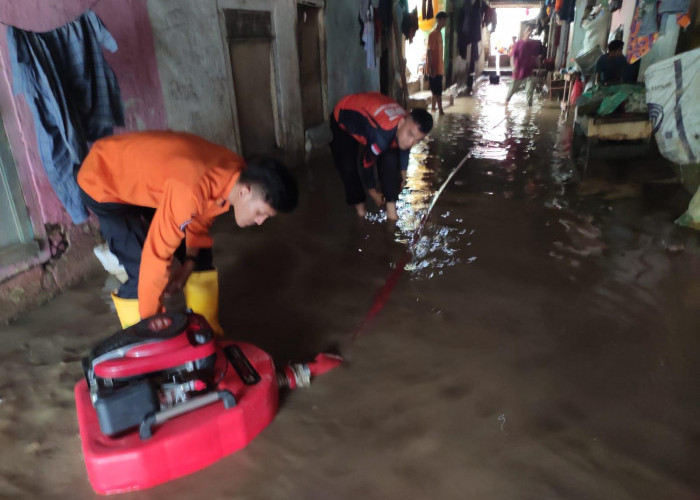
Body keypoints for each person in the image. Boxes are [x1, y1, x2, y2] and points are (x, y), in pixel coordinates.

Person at [77, 130, 298, 332]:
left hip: (152, 180)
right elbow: (156, 256)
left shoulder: (234, 173)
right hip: (104, 179)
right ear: (245, 192)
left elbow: (201, 216)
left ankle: (207, 329)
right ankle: (140, 341)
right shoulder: (190, 190)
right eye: (261, 213)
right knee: (141, 267)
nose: (260, 222)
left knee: (200, 252)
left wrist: (189, 263)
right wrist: (153, 324)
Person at [329, 92, 433, 220]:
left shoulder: (407, 123)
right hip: (344, 115)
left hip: (372, 113)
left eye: (418, 140)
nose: (412, 143)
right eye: (410, 135)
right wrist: (373, 192)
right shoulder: (381, 135)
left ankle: (391, 212)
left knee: (390, 158)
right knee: (348, 166)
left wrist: (403, 173)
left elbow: (405, 149)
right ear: (400, 123)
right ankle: (361, 211)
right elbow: (366, 164)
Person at [505, 25, 543, 107]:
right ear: (524, 32)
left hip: (529, 72)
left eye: (530, 29)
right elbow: (512, 57)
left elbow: (536, 57)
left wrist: (539, 67)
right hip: (518, 72)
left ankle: (529, 108)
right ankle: (506, 104)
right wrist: (513, 67)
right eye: (527, 29)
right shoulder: (518, 44)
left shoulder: (533, 44)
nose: (529, 31)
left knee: (530, 91)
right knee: (512, 90)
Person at [427, 11, 448, 115]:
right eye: (444, 20)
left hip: (439, 67)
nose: (445, 23)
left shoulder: (439, 34)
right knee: (437, 91)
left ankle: (433, 109)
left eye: (445, 20)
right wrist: (431, 68)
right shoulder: (433, 34)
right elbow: (429, 51)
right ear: (438, 21)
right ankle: (440, 111)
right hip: (434, 68)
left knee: (436, 90)